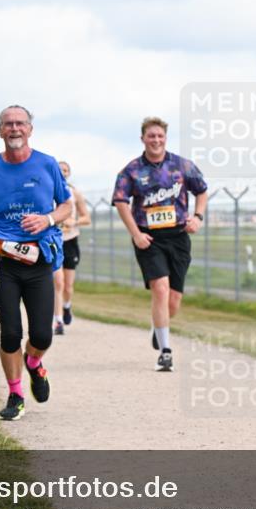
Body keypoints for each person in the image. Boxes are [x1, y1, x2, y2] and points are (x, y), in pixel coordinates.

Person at [0, 104, 72, 421]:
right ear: (0, 131)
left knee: (42, 336)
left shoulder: (47, 164)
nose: (14, 129)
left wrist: (48, 218)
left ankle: (35, 363)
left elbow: (65, 204)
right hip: (3, 260)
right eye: (8, 124)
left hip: (38, 259)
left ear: (30, 129)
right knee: (10, 333)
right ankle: (15, 394)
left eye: (20, 123)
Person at [113, 116, 208, 372]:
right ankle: (165, 351)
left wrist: (197, 217)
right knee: (161, 288)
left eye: (160, 136)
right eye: (151, 136)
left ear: (165, 138)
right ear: (143, 138)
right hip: (149, 237)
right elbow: (121, 201)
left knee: (173, 300)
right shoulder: (132, 170)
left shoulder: (182, 166)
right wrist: (135, 233)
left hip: (178, 236)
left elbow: (201, 190)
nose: (155, 140)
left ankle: (159, 327)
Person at [52, 161, 90, 334]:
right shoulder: (47, 191)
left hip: (71, 241)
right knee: (57, 282)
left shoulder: (74, 193)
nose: (63, 172)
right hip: (53, 241)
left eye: (65, 170)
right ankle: (58, 321)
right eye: (60, 170)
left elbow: (86, 218)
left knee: (68, 285)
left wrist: (74, 222)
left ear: (69, 173)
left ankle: (67, 306)